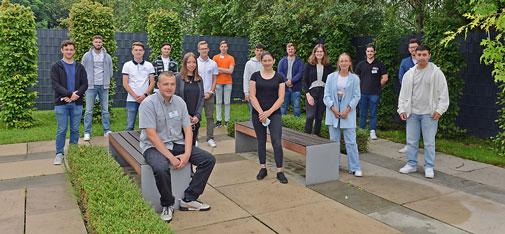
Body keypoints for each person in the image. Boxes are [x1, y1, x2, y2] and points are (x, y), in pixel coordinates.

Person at [139, 71, 215, 222]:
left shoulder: (180, 102)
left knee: (208, 160)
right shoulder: (148, 104)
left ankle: (189, 198)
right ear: (158, 85)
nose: (169, 87)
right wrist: (171, 158)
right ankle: (168, 204)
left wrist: (187, 153)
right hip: (153, 146)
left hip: (177, 143)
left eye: (172, 84)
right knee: (161, 167)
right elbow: (152, 136)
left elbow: (187, 129)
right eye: (165, 84)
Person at [397, 45, 449, 179]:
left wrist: (440, 110)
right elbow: (403, 94)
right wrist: (402, 109)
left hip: (429, 114)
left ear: (429, 55)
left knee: (429, 142)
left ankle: (429, 166)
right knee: (411, 141)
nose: (421, 57)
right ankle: (411, 164)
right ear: (415, 56)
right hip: (412, 113)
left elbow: (444, 93)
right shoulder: (409, 74)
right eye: (419, 55)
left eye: (424, 54)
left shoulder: (436, 73)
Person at [249, 51, 288, 184]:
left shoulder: (280, 77)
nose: (267, 63)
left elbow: (281, 98)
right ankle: (263, 168)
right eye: (264, 60)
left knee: (276, 141)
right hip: (258, 114)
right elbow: (252, 96)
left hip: (274, 113)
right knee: (261, 141)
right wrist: (261, 112)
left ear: (273, 61)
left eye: (269, 60)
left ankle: (279, 171)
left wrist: (268, 112)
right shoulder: (255, 76)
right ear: (261, 62)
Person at [323, 53, 362, 177]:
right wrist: (333, 108)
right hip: (333, 112)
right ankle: (334, 165)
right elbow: (326, 95)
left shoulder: (355, 78)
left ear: (350, 63)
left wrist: (348, 109)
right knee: (333, 141)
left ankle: (355, 167)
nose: (344, 63)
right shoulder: (330, 77)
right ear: (338, 63)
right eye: (341, 61)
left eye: (346, 61)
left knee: (351, 142)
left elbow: (357, 96)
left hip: (348, 112)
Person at [51, 40, 88, 165]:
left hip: (76, 103)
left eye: (71, 49)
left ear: (74, 51)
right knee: (61, 129)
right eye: (66, 49)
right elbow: (55, 85)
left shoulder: (80, 67)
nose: (69, 51)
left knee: (75, 129)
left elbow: (85, 84)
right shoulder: (56, 66)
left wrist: (74, 96)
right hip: (61, 103)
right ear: (62, 50)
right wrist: (69, 94)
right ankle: (59, 153)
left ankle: (73, 152)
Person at [82, 35, 113, 141]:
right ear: (92, 43)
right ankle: (87, 132)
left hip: (104, 86)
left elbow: (111, 70)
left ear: (102, 43)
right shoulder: (86, 56)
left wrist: (107, 81)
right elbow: (82, 70)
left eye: (100, 42)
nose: (98, 43)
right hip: (90, 86)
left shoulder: (107, 56)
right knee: (89, 111)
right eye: (96, 42)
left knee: (105, 110)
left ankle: (106, 130)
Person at [355, 44, 388, 140]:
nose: (370, 53)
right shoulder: (361, 64)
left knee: (373, 113)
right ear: (365, 52)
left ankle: (372, 131)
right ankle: (361, 131)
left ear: (374, 52)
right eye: (368, 51)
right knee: (362, 113)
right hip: (362, 93)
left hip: (374, 93)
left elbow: (385, 78)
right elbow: (355, 78)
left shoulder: (379, 64)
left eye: (371, 51)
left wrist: (378, 86)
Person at [122, 41, 155, 131]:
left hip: (145, 99)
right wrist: (135, 96)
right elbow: (125, 83)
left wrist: (145, 95)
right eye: (136, 50)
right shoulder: (127, 65)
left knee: (145, 126)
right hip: (132, 99)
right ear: (132, 52)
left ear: (143, 52)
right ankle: (128, 144)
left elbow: (152, 82)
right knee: (130, 126)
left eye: (140, 50)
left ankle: (145, 144)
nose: (138, 52)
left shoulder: (149, 65)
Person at [303, 44, 334, 136]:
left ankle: (316, 136)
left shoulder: (328, 66)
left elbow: (331, 81)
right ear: (314, 53)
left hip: (323, 92)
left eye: (321, 51)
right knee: (310, 116)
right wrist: (308, 95)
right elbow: (304, 80)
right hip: (312, 92)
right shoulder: (309, 65)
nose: (319, 53)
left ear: (324, 53)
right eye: (317, 51)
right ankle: (306, 136)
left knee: (319, 117)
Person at [175, 52, 204, 146]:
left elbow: (201, 98)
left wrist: (198, 115)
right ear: (185, 63)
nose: (192, 65)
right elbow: (176, 98)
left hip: (195, 118)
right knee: (182, 145)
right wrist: (185, 115)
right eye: (189, 62)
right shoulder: (178, 78)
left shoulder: (199, 79)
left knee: (192, 143)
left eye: (194, 62)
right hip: (182, 117)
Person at [398, 38, 420, 153]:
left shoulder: (423, 61)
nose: (413, 49)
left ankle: (423, 144)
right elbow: (401, 78)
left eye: (415, 47)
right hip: (409, 97)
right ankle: (409, 145)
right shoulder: (405, 62)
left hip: (422, 97)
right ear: (408, 49)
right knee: (409, 121)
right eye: (411, 47)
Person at [197, 41, 219, 147]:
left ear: (208, 49)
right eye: (202, 48)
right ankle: (194, 138)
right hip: (197, 95)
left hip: (209, 94)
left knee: (210, 117)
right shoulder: (195, 63)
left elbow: (215, 79)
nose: (204, 50)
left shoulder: (213, 63)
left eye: (205, 48)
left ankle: (210, 138)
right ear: (198, 50)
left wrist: (211, 92)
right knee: (196, 117)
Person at [212, 40, 235, 127]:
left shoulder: (231, 58)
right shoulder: (215, 57)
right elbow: (214, 71)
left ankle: (226, 121)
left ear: (227, 48)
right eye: (222, 46)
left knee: (227, 102)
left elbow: (231, 71)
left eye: (225, 46)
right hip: (218, 82)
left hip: (228, 82)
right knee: (218, 102)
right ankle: (218, 120)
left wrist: (220, 69)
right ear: (219, 47)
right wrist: (225, 70)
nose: (224, 48)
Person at [278, 42, 304, 117]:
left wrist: (291, 81)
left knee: (296, 106)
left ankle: (297, 120)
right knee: (283, 105)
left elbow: (300, 73)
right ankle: (281, 120)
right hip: (284, 87)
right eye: (289, 49)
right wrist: (286, 81)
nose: (290, 50)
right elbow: (280, 72)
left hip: (296, 86)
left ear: (295, 50)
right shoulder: (282, 61)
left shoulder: (299, 61)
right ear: (287, 50)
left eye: (292, 49)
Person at [243, 44, 265, 115]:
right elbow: (246, 78)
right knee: (252, 112)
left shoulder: (265, 62)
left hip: (263, 91)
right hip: (252, 91)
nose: (259, 52)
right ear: (254, 51)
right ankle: (252, 125)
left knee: (263, 111)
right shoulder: (249, 63)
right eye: (257, 50)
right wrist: (246, 92)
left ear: (263, 51)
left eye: (261, 51)